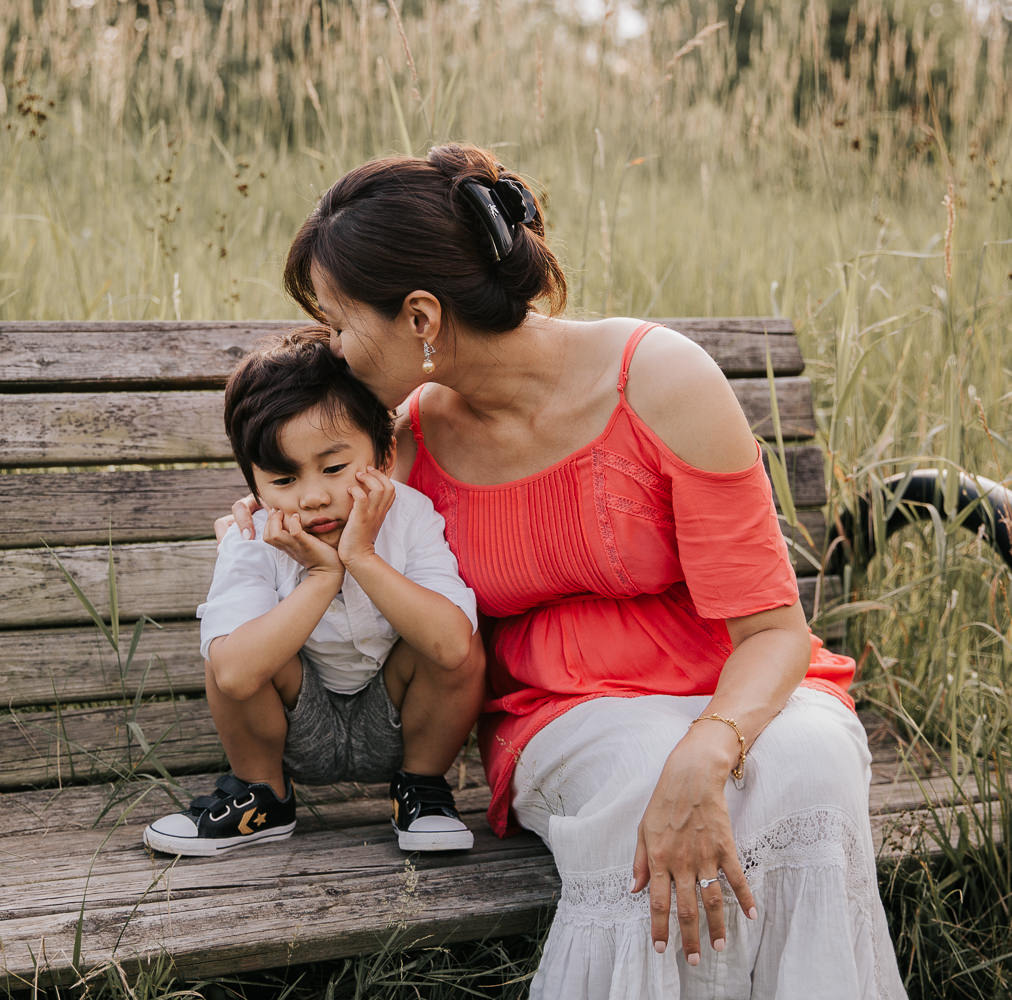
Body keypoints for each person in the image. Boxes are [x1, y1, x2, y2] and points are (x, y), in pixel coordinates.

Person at [225, 144, 907, 997]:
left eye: (340, 318)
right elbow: (328, 564)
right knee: (643, 794)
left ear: (422, 318)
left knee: (808, 765)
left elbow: (773, 632)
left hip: (737, 685)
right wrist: (277, 533)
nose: (337, 346)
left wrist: (709, 746)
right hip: (561, 711)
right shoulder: (404, 442)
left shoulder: (660, 382)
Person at [143, 327, 486, 858]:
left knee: (454, 630)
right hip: (296, 722)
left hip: (395, 713)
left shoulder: (411, 516)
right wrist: (323, 578)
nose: (312, 497)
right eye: (282, 480)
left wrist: (360, 558)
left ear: (386, 454)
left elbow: (451, 650)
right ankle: (264, 797)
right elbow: (234, 675)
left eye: (333, 468)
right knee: (227, 645)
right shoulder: (253, 539)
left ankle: (421, 790)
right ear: (254, 485)